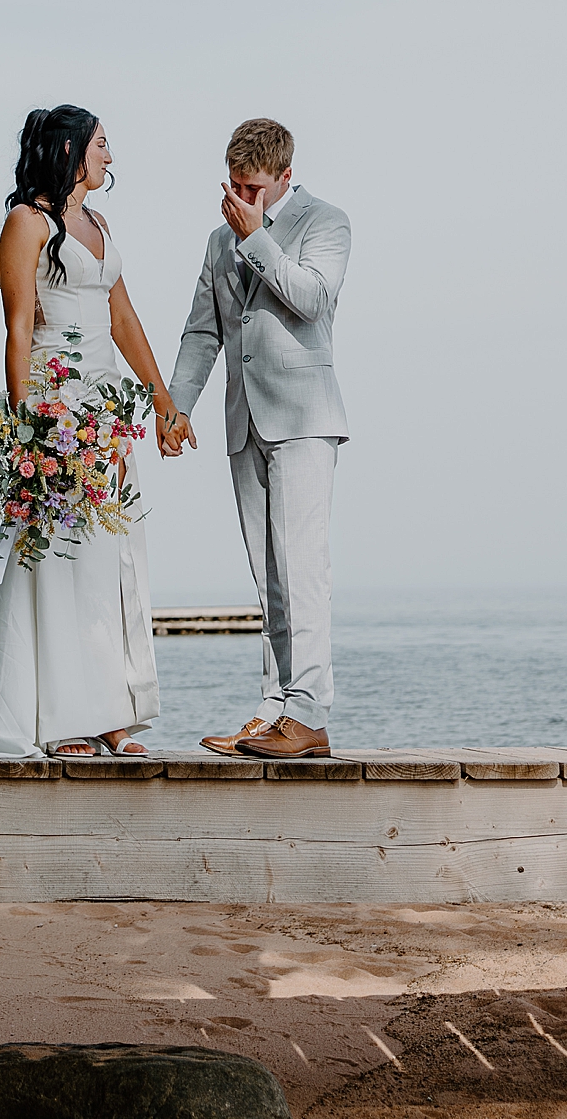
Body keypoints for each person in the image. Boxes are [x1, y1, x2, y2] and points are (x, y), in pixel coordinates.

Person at [0, 105, 189, 758]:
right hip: (54, 406)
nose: (112, 157)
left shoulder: (100, 223)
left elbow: (125, 318)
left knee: (109, 558)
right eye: (103, 145)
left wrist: (164, 406)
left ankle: (111, 710)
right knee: (56, 561)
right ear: (72, 150)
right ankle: (60, 718)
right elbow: (18, 328)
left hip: (106, 414)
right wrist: (30, 426)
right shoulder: (27, 223)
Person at [166, 117, 351, 761]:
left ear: (285, 177)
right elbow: (202, 332)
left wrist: (257, 241)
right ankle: (275, 712)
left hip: (303, 419)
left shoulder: (326, 223)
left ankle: (310, 713)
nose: (244, 200)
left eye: (256, 188)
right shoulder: (220, 241)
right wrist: (176, 406)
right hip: (244, 421)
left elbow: (312, 300)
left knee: (305, 567)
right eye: (236, 187)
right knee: (269, 572)